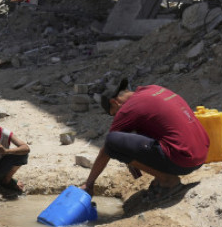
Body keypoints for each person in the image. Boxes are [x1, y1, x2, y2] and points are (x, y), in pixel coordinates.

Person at [81, 79, 209, 201]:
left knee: (112, 141)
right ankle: (163, 175)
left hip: (184, 160)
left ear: (115, 102)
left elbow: (108, 148)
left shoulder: (128, 108)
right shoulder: (153, 89)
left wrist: (89, 184)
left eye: (114, 113)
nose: (116, 116)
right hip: (202, 154)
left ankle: (167, 180)